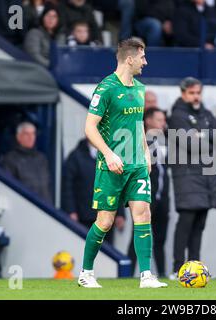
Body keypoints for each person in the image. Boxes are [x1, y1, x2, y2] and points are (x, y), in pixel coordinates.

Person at [78, 38, 167, 288]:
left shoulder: (139, 89)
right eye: (142, 57)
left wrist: (146, 154)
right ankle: (86, 273)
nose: (145, 62)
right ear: (130, 59)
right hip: (112, 165)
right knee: (105, 221)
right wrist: (108, 153)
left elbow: (138, 126)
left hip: (136, 164)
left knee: (143, 214)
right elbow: (89, 127)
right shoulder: (105, 88)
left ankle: (146, 276)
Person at [168, 77, 216, 278]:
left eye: (198, 93)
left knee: (199, 226)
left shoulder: (205, 113)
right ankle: (178, 268)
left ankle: (194, 268)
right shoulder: (177, 115)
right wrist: (209, 137)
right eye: (192, 93)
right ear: (183, 93)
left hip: (206, 176)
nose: (196, 97)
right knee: (186, 222)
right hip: (186, 175)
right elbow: (190, 145)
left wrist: (201, 134)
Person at [127, 108, 170, 277]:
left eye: (164, 120)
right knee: (138, 234)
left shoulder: (164, 142)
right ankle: (128, 274)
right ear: (149, 121)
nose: (163, 124)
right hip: (144, 195)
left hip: (162, 197)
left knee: (160, 239)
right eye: (159, 120)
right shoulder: (138, 140)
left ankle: (163, 274)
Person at [61, 138, 125, 243]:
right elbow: (67, 186)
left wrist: (120, 213)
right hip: (84, 217)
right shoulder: (76, 156)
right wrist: (71, 211)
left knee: (107, 255)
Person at [2, 122, 52, 204]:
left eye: (33, 134)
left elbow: (48, 186)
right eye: (27, 134)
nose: (31, 137)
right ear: (18, 137)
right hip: (25, 207)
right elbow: (9, 188)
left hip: (45, 208)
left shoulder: (41, 158)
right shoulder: (10, 159)